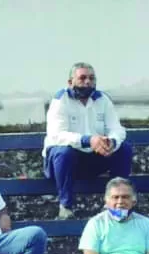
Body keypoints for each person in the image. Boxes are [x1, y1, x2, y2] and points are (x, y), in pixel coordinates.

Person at [43, 62, 132, 219]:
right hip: (62, 164)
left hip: (92, 158)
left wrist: (111, 141)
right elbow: (56, 135)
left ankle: (116, 205)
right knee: (64, 152)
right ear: (70, 82)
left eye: (91, 78)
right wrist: (88, 140)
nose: (88, 81)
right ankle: (66, 207)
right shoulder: (60, 100)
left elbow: (117, 129)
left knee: (123, 149)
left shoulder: (103, 99)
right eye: (82, 78)